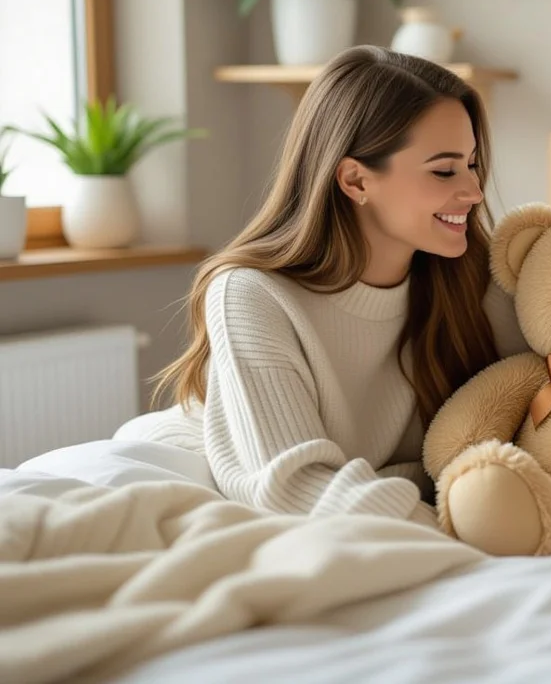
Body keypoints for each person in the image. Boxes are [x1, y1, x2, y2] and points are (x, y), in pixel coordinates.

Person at [135, 46, 503, 527]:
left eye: (472, 164)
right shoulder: (251, 294)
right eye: (443, 170)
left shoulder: (476, 277)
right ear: (355, 180)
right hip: (188, 467)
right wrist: (463, 529)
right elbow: (292, 488)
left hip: (373, 503)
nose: (474, 192)